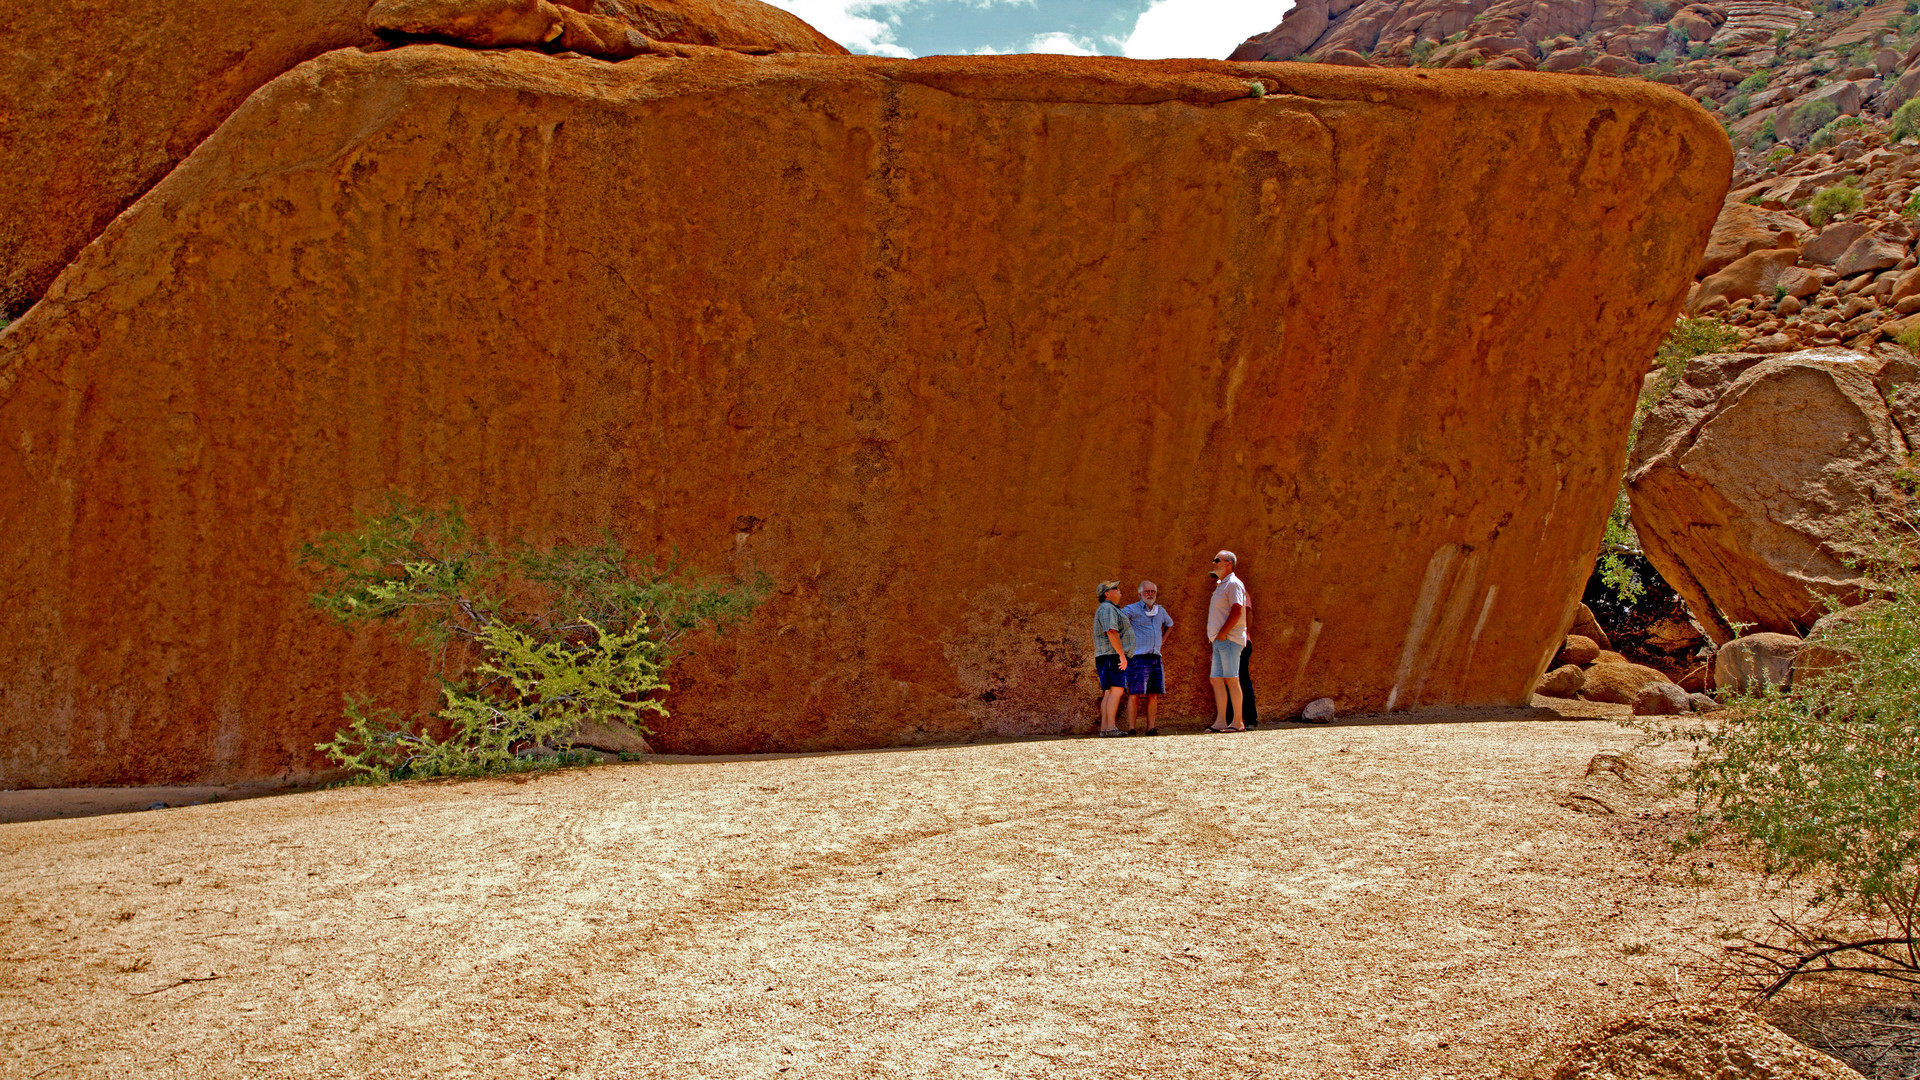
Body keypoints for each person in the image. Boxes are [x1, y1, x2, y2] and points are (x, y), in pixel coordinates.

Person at [1204, 550, 1250, 733]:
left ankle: (1237, 722)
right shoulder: (1221, 585)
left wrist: (1223, 633)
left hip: (1229, 639)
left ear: (1228, 564)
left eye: (1217, 560)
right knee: (1216, 679)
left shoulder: (1233, 583)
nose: (1214, 563)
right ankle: (1221, 721)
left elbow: (1237, 610)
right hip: (1219, 640)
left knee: (1232, 678)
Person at [1120, 581, 1173, 735]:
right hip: (1138, 657)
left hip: (1156, 657)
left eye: (1153, 592)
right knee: (1135, 693)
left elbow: (1170, 624)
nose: (1150, 594)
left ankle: (1151, 728)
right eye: (1147, 591)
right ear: (1140, 594)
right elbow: (1119, 622)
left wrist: (1162, 641)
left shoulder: (1160, 611)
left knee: (1153, 694)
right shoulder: (1132, 609)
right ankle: (1132, 728)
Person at [1091, 580, 1135, 737]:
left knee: (1109, 692)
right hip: (1112, 655)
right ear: (1107, 594)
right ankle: (1110, 728)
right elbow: (1111, 631)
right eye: (1115, 588)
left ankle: (1105, 728)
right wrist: (1122, 655)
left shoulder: (1106, 608)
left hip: (1106, 656)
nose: (1119, 590)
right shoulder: (1108, 608)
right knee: (1116, 690)